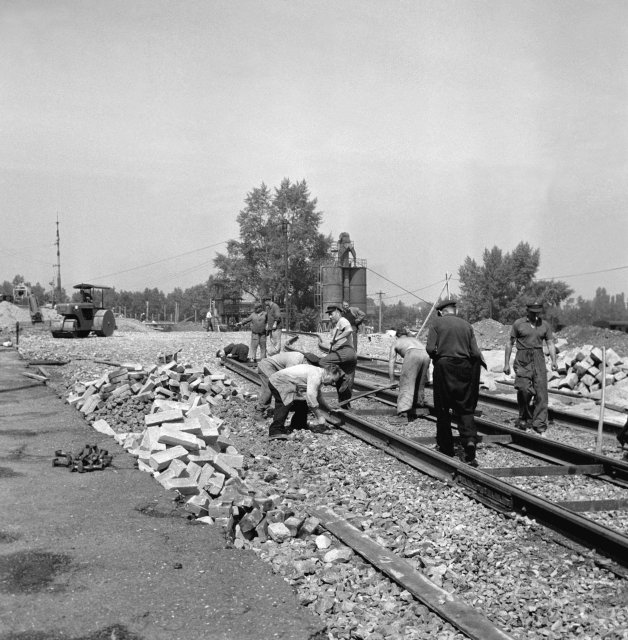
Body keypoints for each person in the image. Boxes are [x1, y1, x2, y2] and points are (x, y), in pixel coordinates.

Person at [426, 298, 485, 466]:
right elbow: (475, 352)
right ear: (454, 310)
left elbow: (430, 349)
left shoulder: (437, 323)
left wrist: (439, 357)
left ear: (442, 311)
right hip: (465, 367)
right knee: (465, 407)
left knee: (443, 408)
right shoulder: (467, 325)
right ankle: (469, 442)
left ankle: (446, 447)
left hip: (444, 367)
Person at [504, 301, 558, 434]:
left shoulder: (544, 325)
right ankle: (524, 415)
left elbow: (550, 344)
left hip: (539, 358)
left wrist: (553, 360)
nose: (535, 315)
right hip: (523, 358)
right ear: (527, 310)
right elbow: (509, 344)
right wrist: (506, 364)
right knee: (524, 389)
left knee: (541, 393)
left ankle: (539, 422)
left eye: (537, 312)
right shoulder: (518, 324)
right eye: (533, 312)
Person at [267, 363, 344, 439]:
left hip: (283, 381)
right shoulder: (316, 375)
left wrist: (328, 407)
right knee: (284, 404)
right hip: (278, 381)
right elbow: (311, 396)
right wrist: (319, 416)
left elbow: (318, 396)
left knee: (303, 402)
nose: (332, 383)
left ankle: (298, 424)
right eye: (333, 380)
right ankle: (275, 431)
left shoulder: (320, 374)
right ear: (328, 374)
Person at [388, 325, 431, 423]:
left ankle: (403, 414)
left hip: (412, 354)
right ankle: (419, 407)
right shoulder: (413, 339)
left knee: (406, 384)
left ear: (397, 336)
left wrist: (392, 381)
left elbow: (391, 363)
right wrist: (427, 377)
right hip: (426, 354)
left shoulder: (396, 342)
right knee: (420, 383)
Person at [318, 303, 358, 407]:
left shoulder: (342, 320)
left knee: (323, 362)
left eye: (331, 314)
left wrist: (336, 339)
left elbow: (349, 330)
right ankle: (344, 405)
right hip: (348, 355)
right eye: (329, 315)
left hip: (345, 352)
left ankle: (342, 375)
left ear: (337, 311)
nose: (330, 316)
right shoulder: (337, 325)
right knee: (340, 383)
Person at [255, 350, 309, 419]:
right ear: (306, 360)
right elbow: (288, 379)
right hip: (266, 366)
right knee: (270, 387)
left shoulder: (301, 360)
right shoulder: (295, 361)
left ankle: (289, 406)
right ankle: (259, 412)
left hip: (274, 369)